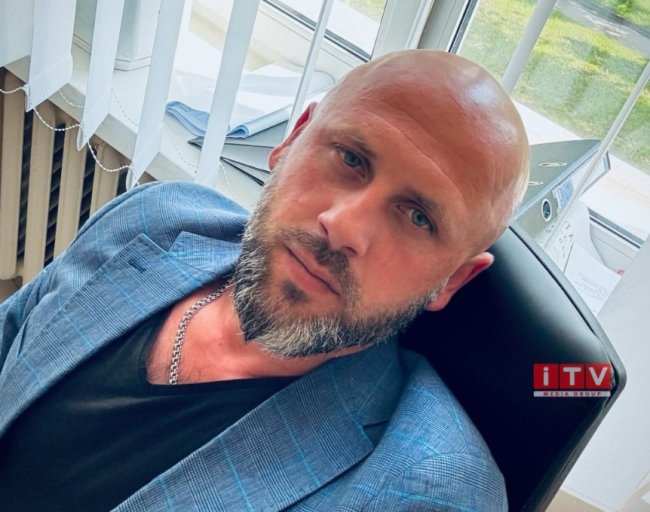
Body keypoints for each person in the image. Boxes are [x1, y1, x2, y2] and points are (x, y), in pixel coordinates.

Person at [0, 50, 529, 511]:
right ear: (292, 139)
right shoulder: (155, 217)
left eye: (417, 217)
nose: (343, 226)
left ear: (452, 280)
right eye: (351, 158)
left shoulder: (431, 491)